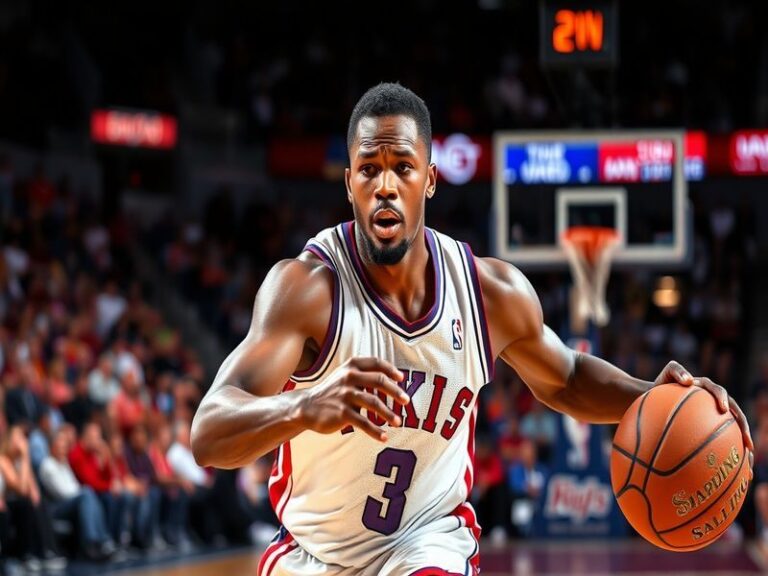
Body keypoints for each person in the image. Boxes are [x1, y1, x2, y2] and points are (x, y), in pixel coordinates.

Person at [190, 83, 753, 576]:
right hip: (313, 552)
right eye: (368, 169)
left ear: (429, 180)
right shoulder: (308, 290)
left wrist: (652, 396)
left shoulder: (489, 295)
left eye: (402, 167)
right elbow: (209, 433)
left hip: (426, 541)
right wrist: (304, 405)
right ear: (349, 184)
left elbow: (566, 377)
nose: (385, 185)